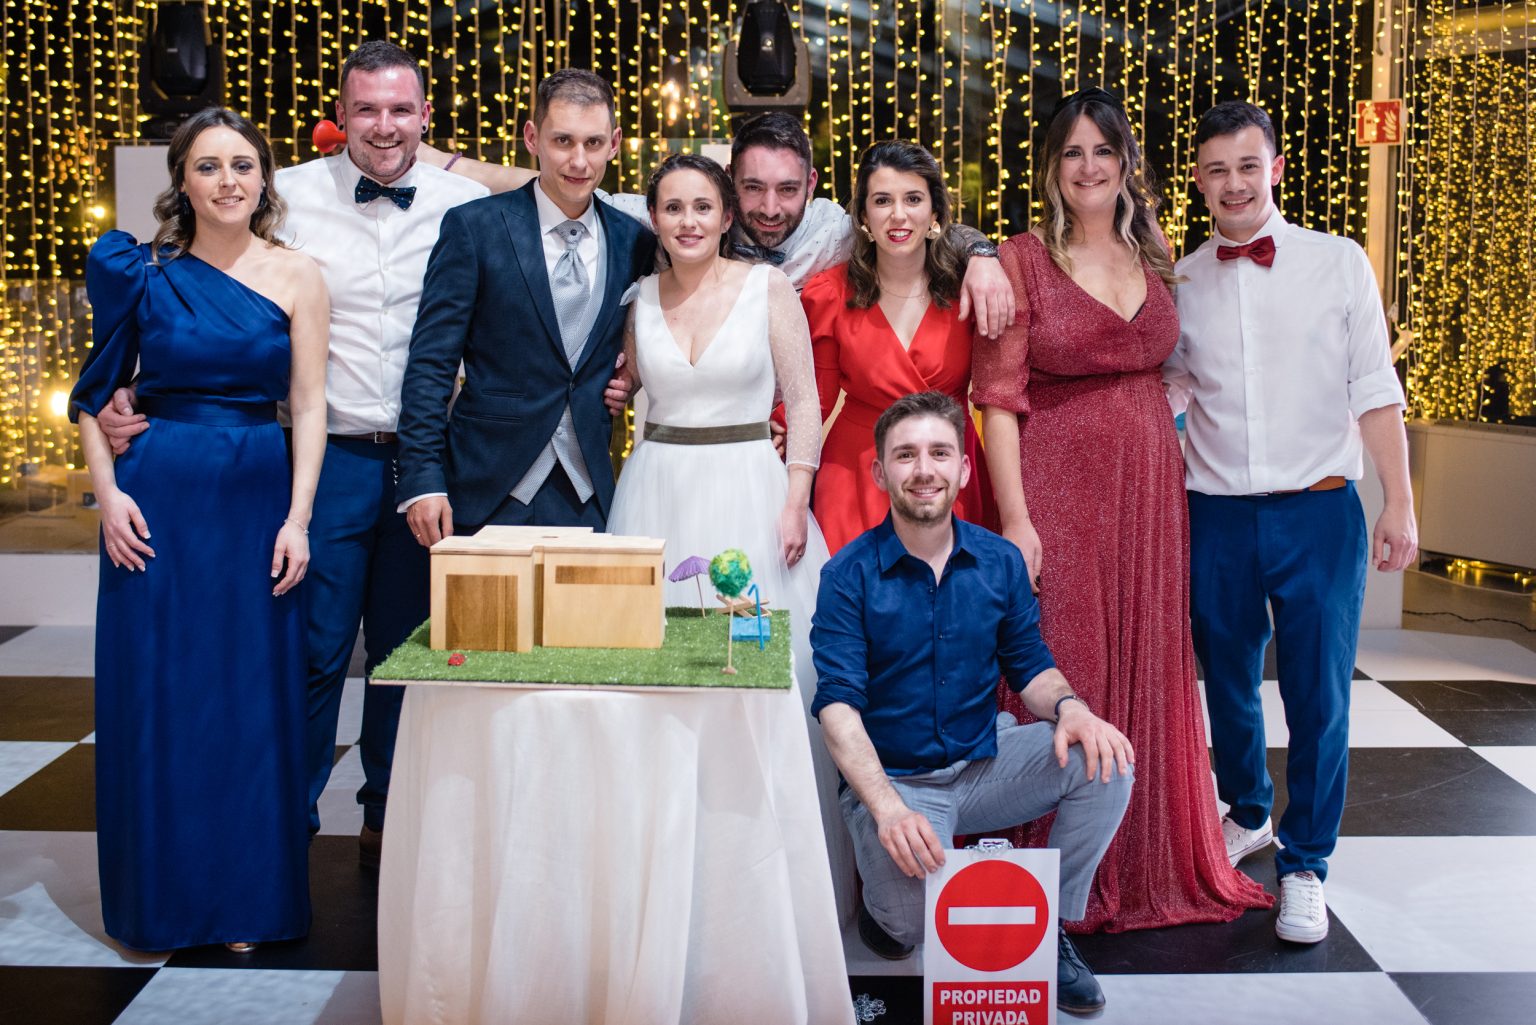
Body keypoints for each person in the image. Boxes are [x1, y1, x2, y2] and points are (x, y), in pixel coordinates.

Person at [94, 40, 490, 868]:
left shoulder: (465, 203)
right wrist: (134, 393)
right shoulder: (288, 195)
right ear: (339, 115)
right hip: (321, 454)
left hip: (430, 460)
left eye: (401, 108)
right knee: (305, 649)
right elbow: (204, 293)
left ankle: (388, 817)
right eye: (366, 109)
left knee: (409, 650)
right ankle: (286, 820)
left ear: (426, 115)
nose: (384, 125)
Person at [972, 87, 1273, 931]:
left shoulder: (1156, 247)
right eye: (1072, 152)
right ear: (1050, 166)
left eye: (1103, 150)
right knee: (1064, 655)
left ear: (1125, 161)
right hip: (1056, 483)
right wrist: (1017, 519)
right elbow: (997, 401)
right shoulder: (1020, 259)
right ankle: (1046, 877)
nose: (1088, 166)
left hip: (1148, 491)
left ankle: (1142, 863)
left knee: (1146, 658)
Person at [69, 107, 329, 950]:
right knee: (162, 696)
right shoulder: (140, 272)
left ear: (265, 178)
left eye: (243, 165)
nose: (228, 181)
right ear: (182, 180)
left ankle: (245, 900)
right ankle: (164, 902)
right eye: (209, 166)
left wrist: (298, 518)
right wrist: (108, 495)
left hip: (256, 492)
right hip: (159, 499)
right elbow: (91, 396)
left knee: (250, 699)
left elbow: (309, 406)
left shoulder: (298, 275)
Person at [602, 150, 851, 1019]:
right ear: (655, 217)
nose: (689, 222)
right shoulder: (637, 300)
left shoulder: (768, 288)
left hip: (750, 496)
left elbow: (805, 401)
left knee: (763, 681)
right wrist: (617, 390)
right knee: (658, 686)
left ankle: (769, 885)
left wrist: (795, 497)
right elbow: (628, 391)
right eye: (672, 208)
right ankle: (672, 873)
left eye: (703, 206)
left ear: (725, 214)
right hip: (656, 498)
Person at [1164, 100, 1417, 943]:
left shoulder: (1338, 261)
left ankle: (1306, 861)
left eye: (1248, 166)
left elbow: (1374, 388)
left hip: (1320, 511)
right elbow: (1171, 390)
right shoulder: (1181, 280)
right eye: (1217, 170)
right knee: (1227, 682)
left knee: (1318, 692)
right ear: (1198, 181)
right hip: (1216, 514)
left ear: (1274, 169)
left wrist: (1400, 502)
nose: (1234, 183)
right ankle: (1247, 810)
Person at [811, 391, 1133, 1017]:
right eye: (905, 455)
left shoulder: (1000, 561)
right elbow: (838, 710)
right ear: (879, 472)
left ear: (963, 469)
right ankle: (886, 911)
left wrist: (1071, 708)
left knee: (1106, 761)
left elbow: (1030, 665)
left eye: (939, 453)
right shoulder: (846, 576)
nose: (923, 469)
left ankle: (1049, 926)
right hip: (899, 782)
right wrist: (887, 809)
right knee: (910, 927)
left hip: (985, 761)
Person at [417, 111, 1015, 333]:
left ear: (811, 184)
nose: (770, 208)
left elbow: (925, 225)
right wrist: (435, 161)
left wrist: (983, 256)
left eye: (787, 190)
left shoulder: (835, 229)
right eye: (753, 189)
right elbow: (551, 185)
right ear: (730, 184)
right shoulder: (686, 224)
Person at [396, 69, 654, 535]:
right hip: (484, 486)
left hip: (587, 490)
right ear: (532, 137)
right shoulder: (474, 228)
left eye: (594, 143)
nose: (579, 160)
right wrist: (423, 479)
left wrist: (632, 373)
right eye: (563, 141)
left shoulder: (632, 241)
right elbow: (431, 363)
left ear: (614, 144)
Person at [800, 141, 996, 553]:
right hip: (857, 473)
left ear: (935, 212)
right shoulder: (830, 293)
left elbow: (999, 393)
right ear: (863, 216)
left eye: (913, 199)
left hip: (946, 468)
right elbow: (814, 400)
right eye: (882, 200)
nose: (898, 215)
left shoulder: (970, 290)